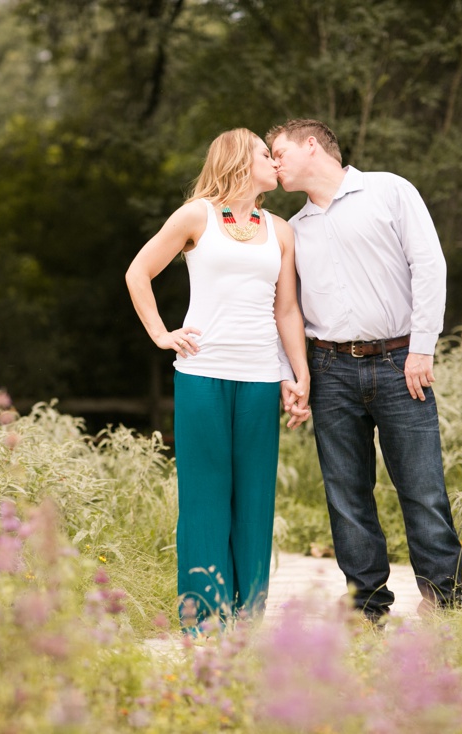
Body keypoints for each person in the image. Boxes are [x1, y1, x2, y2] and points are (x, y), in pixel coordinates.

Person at [266, 118, 462, 623]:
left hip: (403, 362)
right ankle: (367, 603)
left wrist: (423, 347)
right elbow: (283, 308)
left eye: (279, 152)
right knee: (345, 492)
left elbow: (429, 266)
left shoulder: (389, 190)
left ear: (312, 145)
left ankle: (444, 599)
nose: (273, 163)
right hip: (330, 367)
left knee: (422, 486)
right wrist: (294, 373)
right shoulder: (293, 229)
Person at [125, 128, 310, 633]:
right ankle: (203, 620)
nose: (275, 162)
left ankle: (248, 618)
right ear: (238, 159)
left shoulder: (280, 228)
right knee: (205, 494)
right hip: (202, 374)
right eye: (265, 155)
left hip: (259, 376)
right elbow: (137, 273)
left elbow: (287, 309)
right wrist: (162, 334)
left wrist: (299, 374)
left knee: (254, 498)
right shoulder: (196, 216)